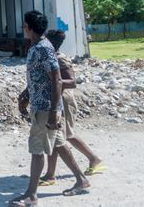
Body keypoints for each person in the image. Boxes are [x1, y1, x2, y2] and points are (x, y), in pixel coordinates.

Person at [10, 11, 90, 206]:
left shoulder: (44, 48)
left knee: (37, 149)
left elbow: (56, 79)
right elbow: (39, 77)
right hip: (40, 104)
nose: (23, 28)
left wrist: (54, 111)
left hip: (45, 108)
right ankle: (81, 179)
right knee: (59, 144)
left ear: (28, 27)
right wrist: (26, 93)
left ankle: (31, 195)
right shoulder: (35, 47)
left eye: (24, 25)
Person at [38, 30, 105, 186]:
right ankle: (93, 159)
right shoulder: (52, 57)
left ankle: (51, 175)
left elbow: (72, 81)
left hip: (64, 100)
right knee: (63, 135)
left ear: (52, 44)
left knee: (59, 135)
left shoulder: (60, 59)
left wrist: (55, 82)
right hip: (57, 98)